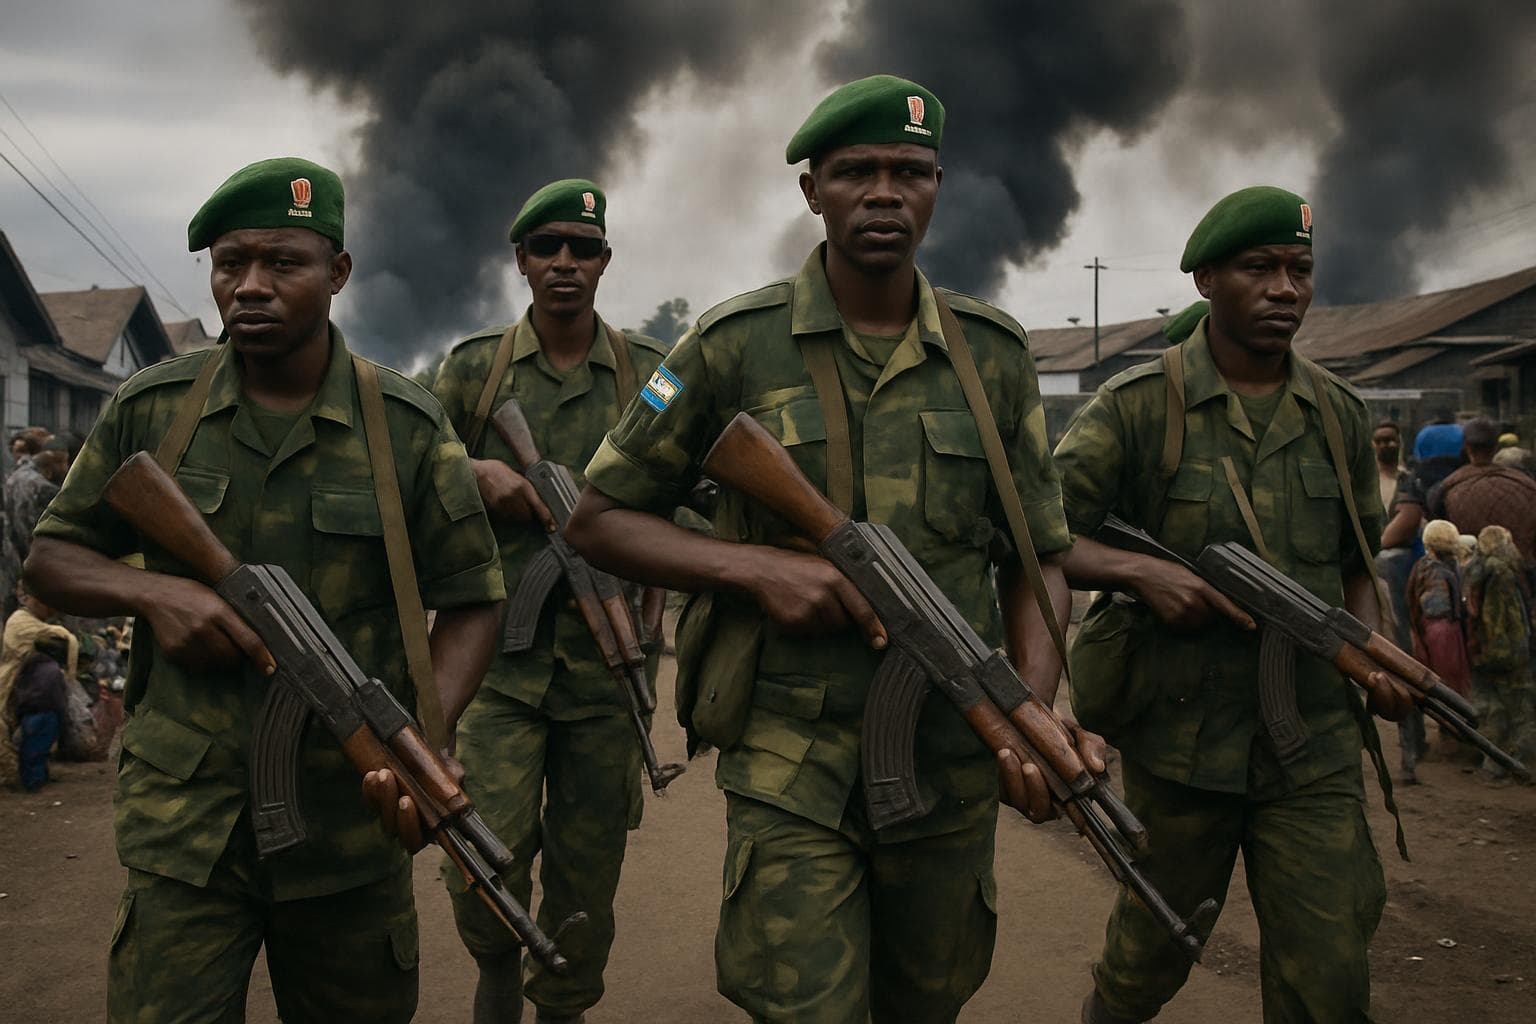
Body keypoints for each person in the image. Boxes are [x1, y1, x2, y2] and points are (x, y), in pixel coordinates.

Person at [565, 74, 1101, 1023]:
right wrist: (755, 566)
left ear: (939, 186)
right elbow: (599, 519)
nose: (885, 192)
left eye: (910, 171)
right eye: (857, 171)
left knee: (926, 999)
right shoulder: (730, 344)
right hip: (789, 751)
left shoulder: (995, 355)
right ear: (813, 190)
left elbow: (1037, 556)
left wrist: (1032, 704)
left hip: (947, 751)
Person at [23, 156, 505, 1024]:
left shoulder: (405, 426)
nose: (249, 286)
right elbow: (52, 558)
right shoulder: (153, 409)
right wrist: (159, 598)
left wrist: (421, 736)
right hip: (185, 826)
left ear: (337, 274)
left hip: (349, 829)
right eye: (229, 263)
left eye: (282, 263)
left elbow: (473, 596)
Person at [1053, 186, 1411, 1023]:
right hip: (1183, 741)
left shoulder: (1340, 413)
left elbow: (1361, 560)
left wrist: (1374, 651)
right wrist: (1145, 576)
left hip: (1311, 741)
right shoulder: (1137, 408)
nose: (1286, 289)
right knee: (1150, 955)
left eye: (1300, 270)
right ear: (1208, 280)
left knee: (1328, 972)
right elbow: (1039, 538)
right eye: (1261, 268)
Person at [430, 179, 671, 1024]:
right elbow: (408, 472)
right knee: (485, 842)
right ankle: (497, 967)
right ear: (522, 261)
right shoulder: (471, 369)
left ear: (605, 261)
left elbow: (691, 477)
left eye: (583, 248)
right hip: (497, 663)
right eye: (548, 248)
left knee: (588, 861)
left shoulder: (653, 376)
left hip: (607, 673)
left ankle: (562, 1001)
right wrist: (476, 471)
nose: (565, 264)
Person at [1462, 524, 1534, 780]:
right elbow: (1507, 618)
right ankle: (1522, 766)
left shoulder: (1473, 571)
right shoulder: (1504, 573)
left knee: (1489, 710)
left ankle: (1492, 765)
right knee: (1521, 711)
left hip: (1480, 652)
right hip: (1509, 654)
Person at [0, 583, 79, 790]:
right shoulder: (20, 624)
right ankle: (29, 781)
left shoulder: (45, 645)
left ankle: (36, 777)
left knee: (41, 745)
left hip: (45, 703)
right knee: (32, 745)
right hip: (32, 702)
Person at [1428, 417, 1536, 562]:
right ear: (1496, 448)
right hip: (1523, 574)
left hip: (1469, 574)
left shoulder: (1448, 490)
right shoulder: (1525, 485)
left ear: (1467, 447)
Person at [1407, 520, 1472, 706]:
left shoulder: (1427, 565)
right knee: (1450, 682)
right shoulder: (1438, 568)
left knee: (1450, 680)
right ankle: (1452, 724)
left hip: (1436, 627)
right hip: (1442, 630)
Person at [0, 444, 68, 619]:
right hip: (38, 562)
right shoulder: (45, 489)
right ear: (49, 469)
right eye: (63, 463)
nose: (66, 468)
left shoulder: (13, 478)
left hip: (12, 557)